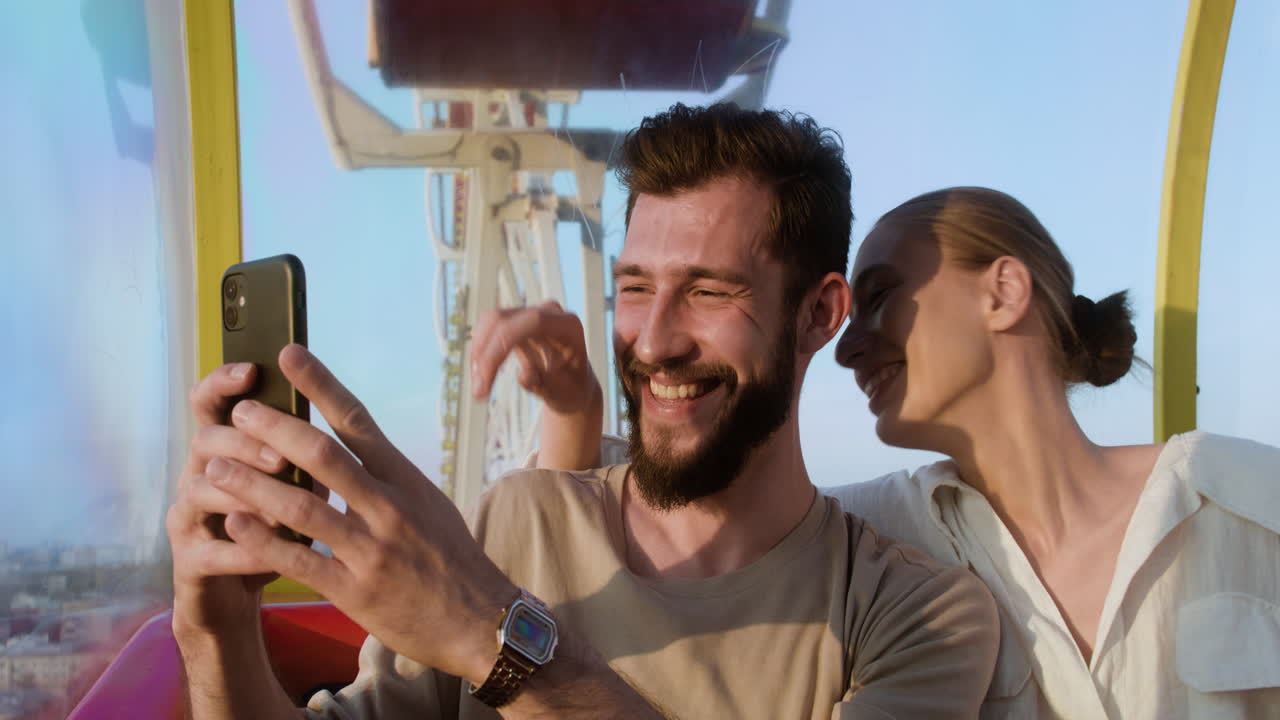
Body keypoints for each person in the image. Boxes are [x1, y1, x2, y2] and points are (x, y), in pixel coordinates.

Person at [166, 104, 1000, 720]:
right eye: (635, 288)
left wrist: (493, 639)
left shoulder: (917, 613)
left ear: (820, 314)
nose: (655, 341)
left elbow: (482, 626)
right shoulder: (514, 523)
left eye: (709, 291)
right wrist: (217, 632)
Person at [540, 185, 1280, 719]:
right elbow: (645, 507)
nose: (849, 346)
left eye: (882, 295)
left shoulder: (1244, 498)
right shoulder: (874, 538)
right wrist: (573, 409)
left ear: (1004, 291)